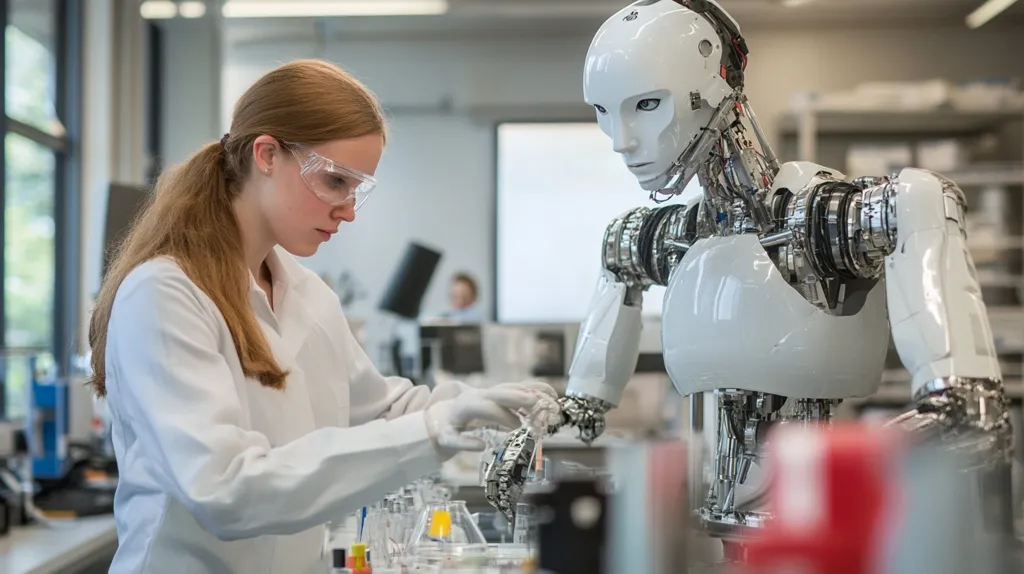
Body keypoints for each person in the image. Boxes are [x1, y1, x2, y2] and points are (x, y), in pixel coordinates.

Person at [87, 59, 556, 574]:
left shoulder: (308, 294)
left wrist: (477, 404)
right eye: (335, 181)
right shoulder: (166, 293)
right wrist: (436, 428)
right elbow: (223, 487)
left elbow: (378, 410)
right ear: (266, 154)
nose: (349, 210)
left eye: (358, 188)